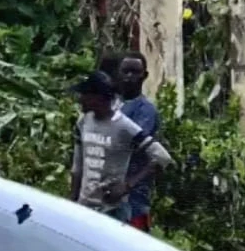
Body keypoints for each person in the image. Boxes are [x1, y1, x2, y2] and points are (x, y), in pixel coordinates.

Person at [70, 70, 172, 223]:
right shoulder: (83, 122)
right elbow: (77, 168)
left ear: (98, 97)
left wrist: (127, 185)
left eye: (84, 95)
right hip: (85, 208)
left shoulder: (124, 126)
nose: (80, 99)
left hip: (112, 211)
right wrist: (72, 203)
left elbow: (162, 157)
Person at [109, 53, 160, 231]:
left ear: (144, 76)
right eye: (126, 71)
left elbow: (152, 156)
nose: (130, 77)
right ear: (118, 73)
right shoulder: (110, 104)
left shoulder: (146, 111)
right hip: (105, 194)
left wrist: (128, 185)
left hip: (132, 198)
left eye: (135, 72)